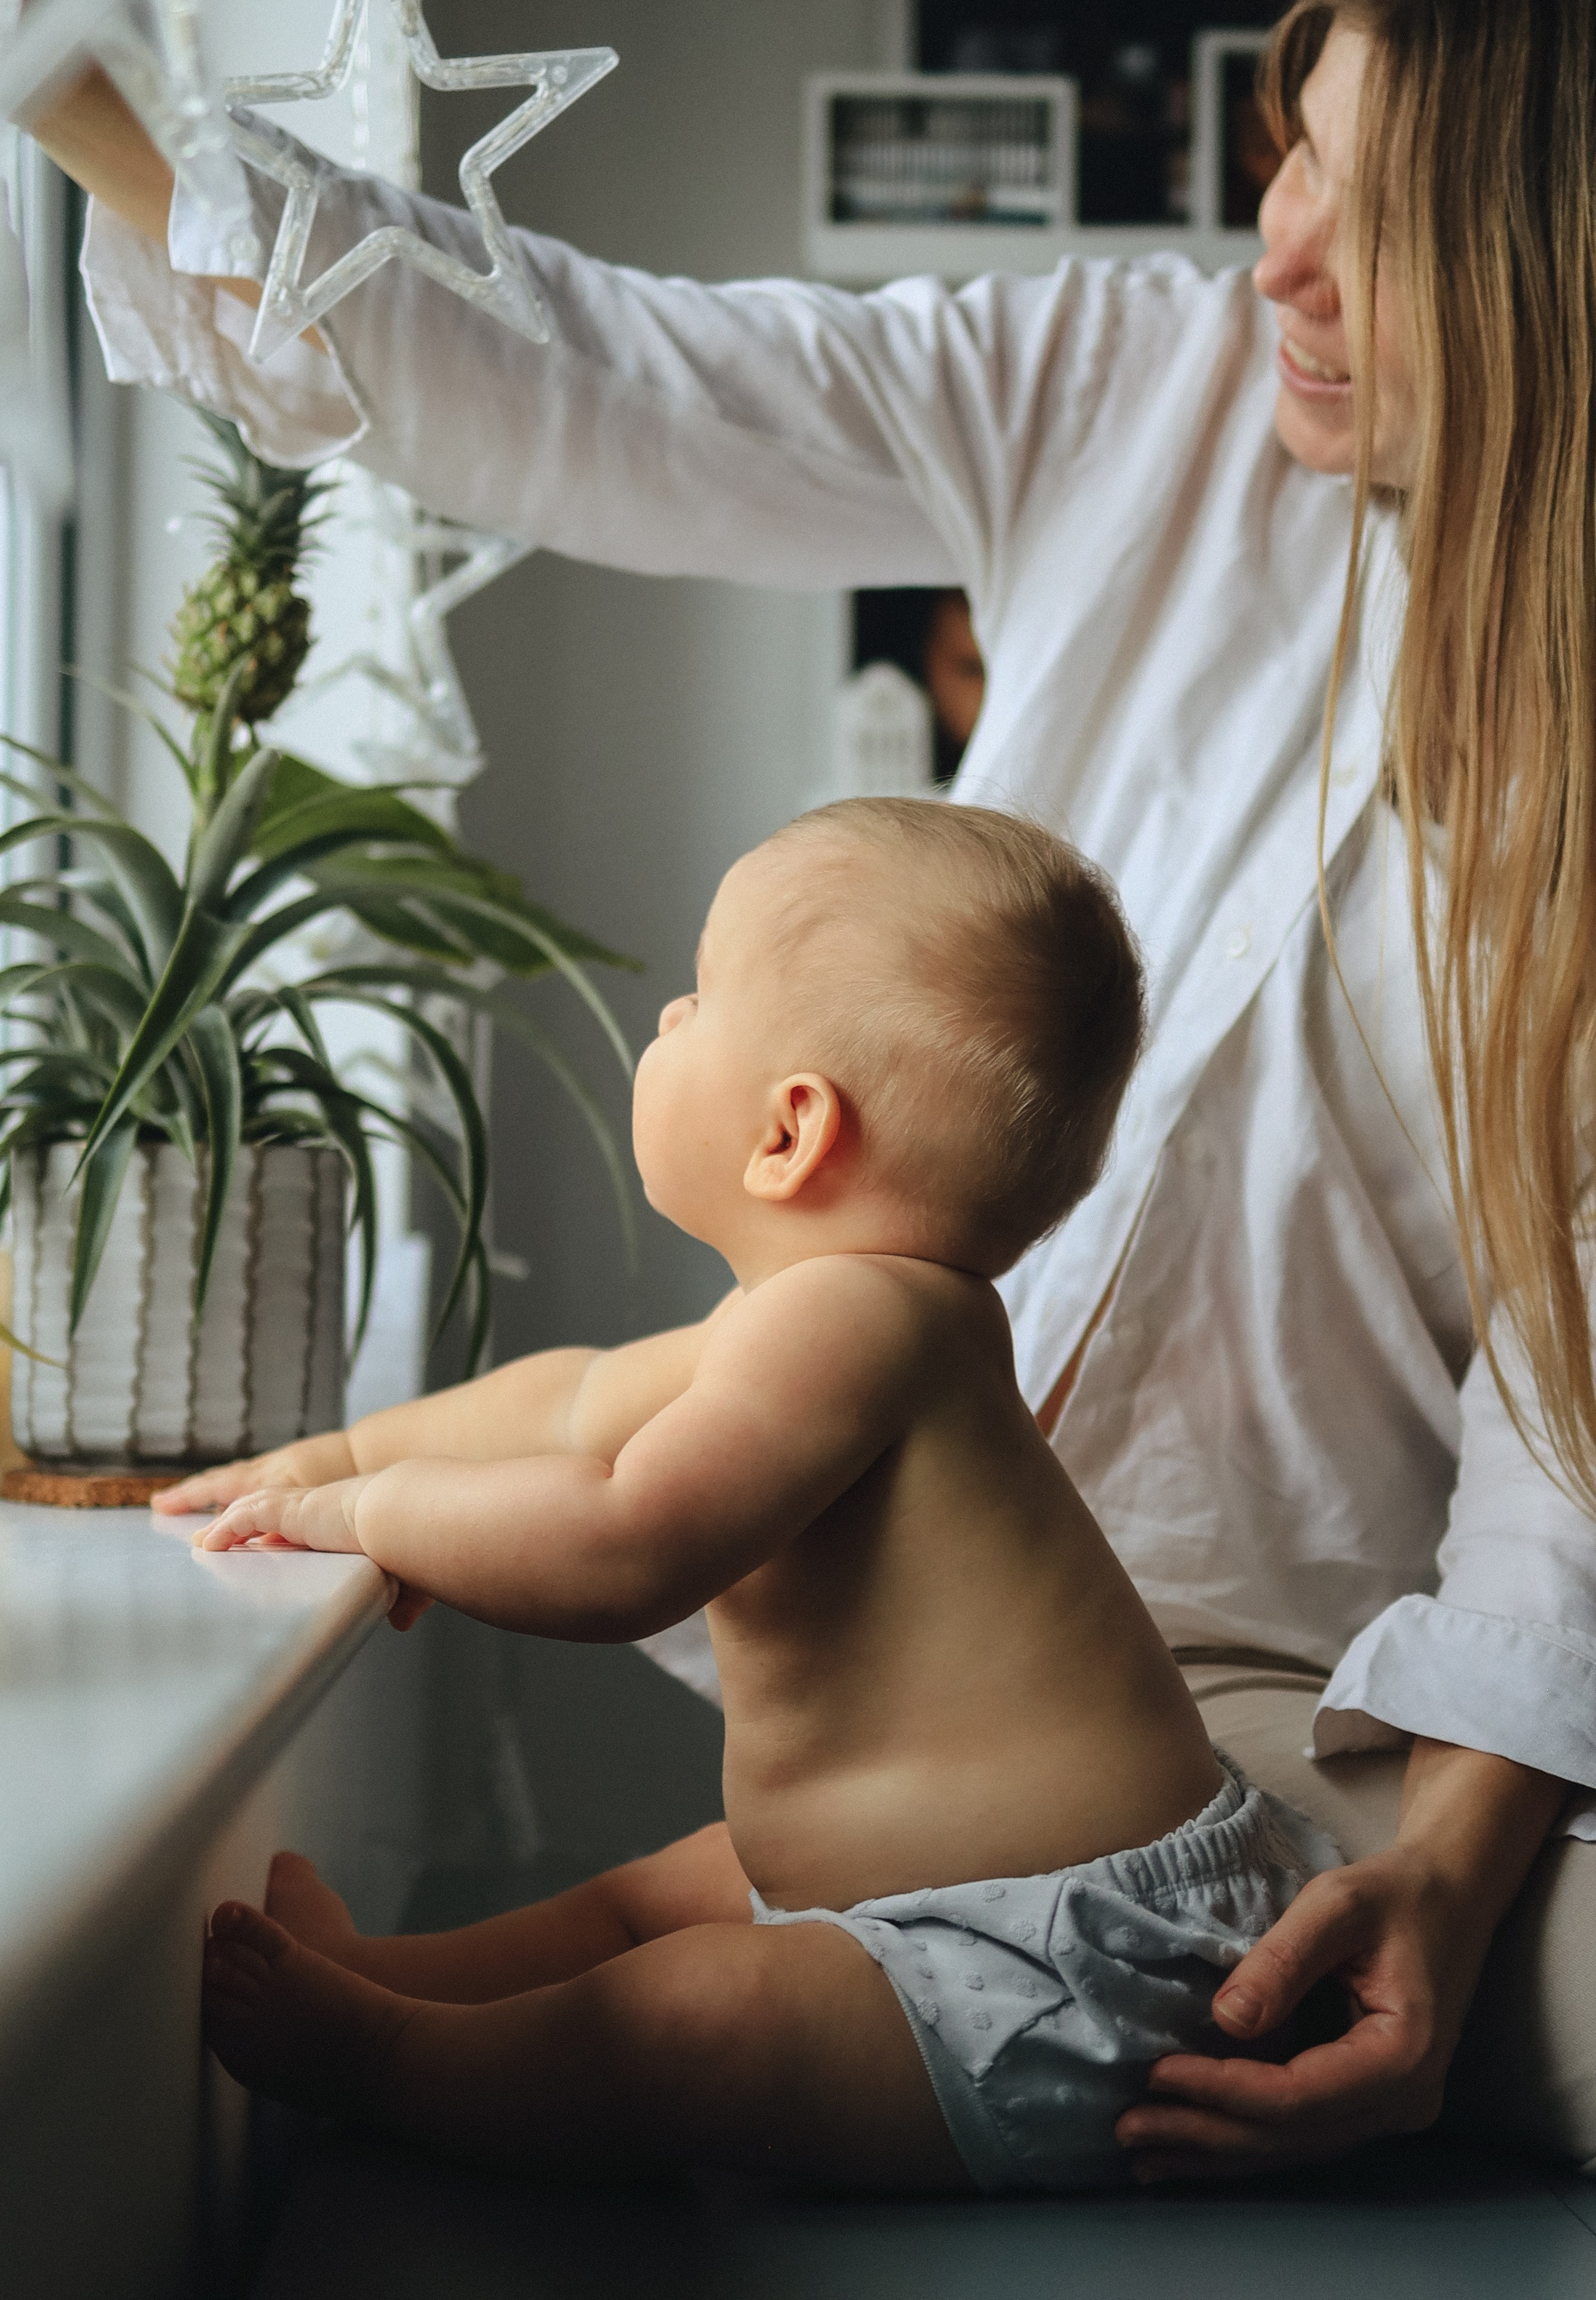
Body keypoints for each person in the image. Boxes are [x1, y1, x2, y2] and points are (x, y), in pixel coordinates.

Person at [26, 0, 1596, 2175]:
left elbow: (1575, 1399)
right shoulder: (1126, 380)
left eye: (1388, 216)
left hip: (1328, 1720)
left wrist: (1450, 1876)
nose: (1283, 262)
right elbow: (597, 381)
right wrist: (63, 84)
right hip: (935, 1698)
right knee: (699, 1930)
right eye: (1295, 160)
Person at [186, 797, 1340, 2195]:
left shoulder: (858, 1325)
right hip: (920, 1907)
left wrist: (369, 1518)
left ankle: (382, 2060)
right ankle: (389, 1978)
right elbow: (568, 1400)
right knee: (647, 1897)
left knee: (697, 2011)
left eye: (695, 996)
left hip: (1073, 1967)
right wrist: (334, 1456)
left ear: (790, 1132)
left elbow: (623, 1544)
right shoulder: (830, 1317)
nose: (665, 1019)